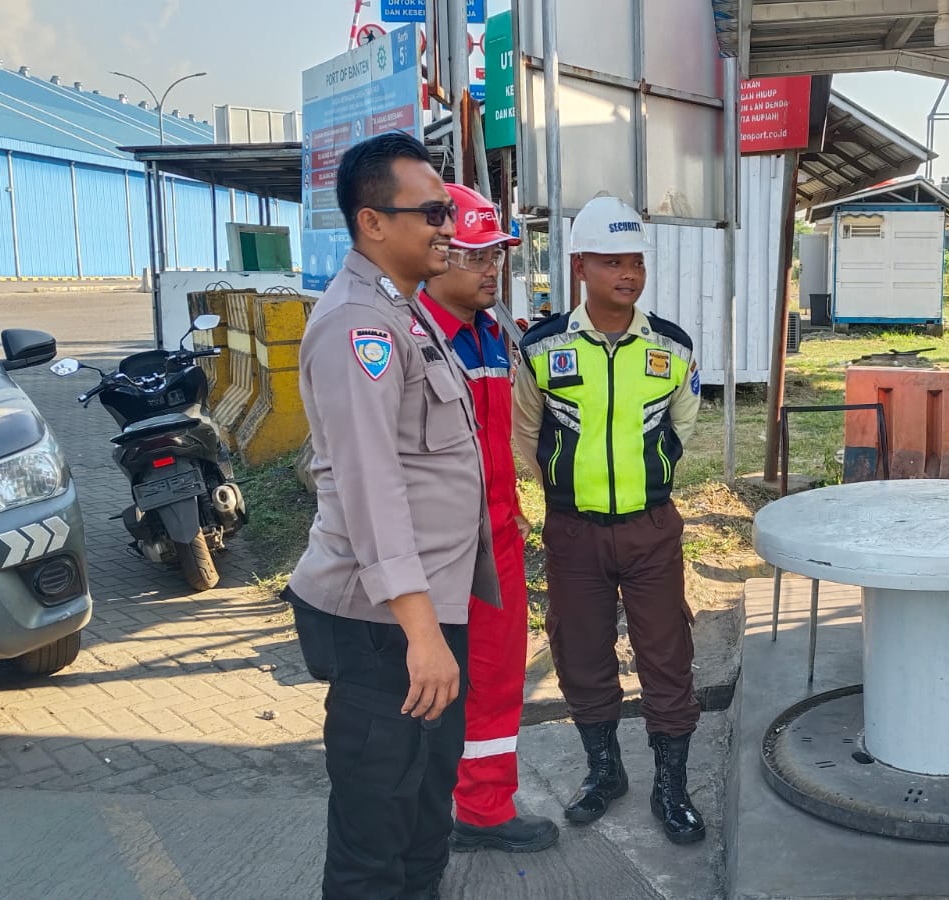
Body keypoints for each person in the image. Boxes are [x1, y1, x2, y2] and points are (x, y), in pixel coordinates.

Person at [286, 132, 500, 900]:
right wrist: (422, 634)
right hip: (386, 628)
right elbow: (372, 487)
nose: (449, 227)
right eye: (433, 213)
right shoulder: (359, 326)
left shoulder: (403, 311)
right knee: (375, 833)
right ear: (373, 222)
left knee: (423, 811)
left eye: (448, 211)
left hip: (424, 613)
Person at [512, 195, 706, 845]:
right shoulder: (543, 347)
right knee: (580, 651)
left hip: (652, 529)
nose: (628, 274)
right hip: (573, 532)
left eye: (636, 262)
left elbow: (681, 427)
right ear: (580, 267)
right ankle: (605, 770)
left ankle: (671, 786)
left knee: (667, 654)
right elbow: (525, 433)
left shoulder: (671, 346)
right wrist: (566, 491)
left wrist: (647, 479)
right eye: (612, 261)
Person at [414, 182, 560, 854]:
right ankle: (425, 810)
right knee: (431, 686)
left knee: (499, 676)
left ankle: (484, 807)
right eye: (476, 257)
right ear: (437, 255)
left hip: (496, 538)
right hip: (437, 551)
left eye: (496, 255)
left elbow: (498, 443)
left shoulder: (491, 335)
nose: (491, 269)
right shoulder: (411, 340)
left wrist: (514, 512)